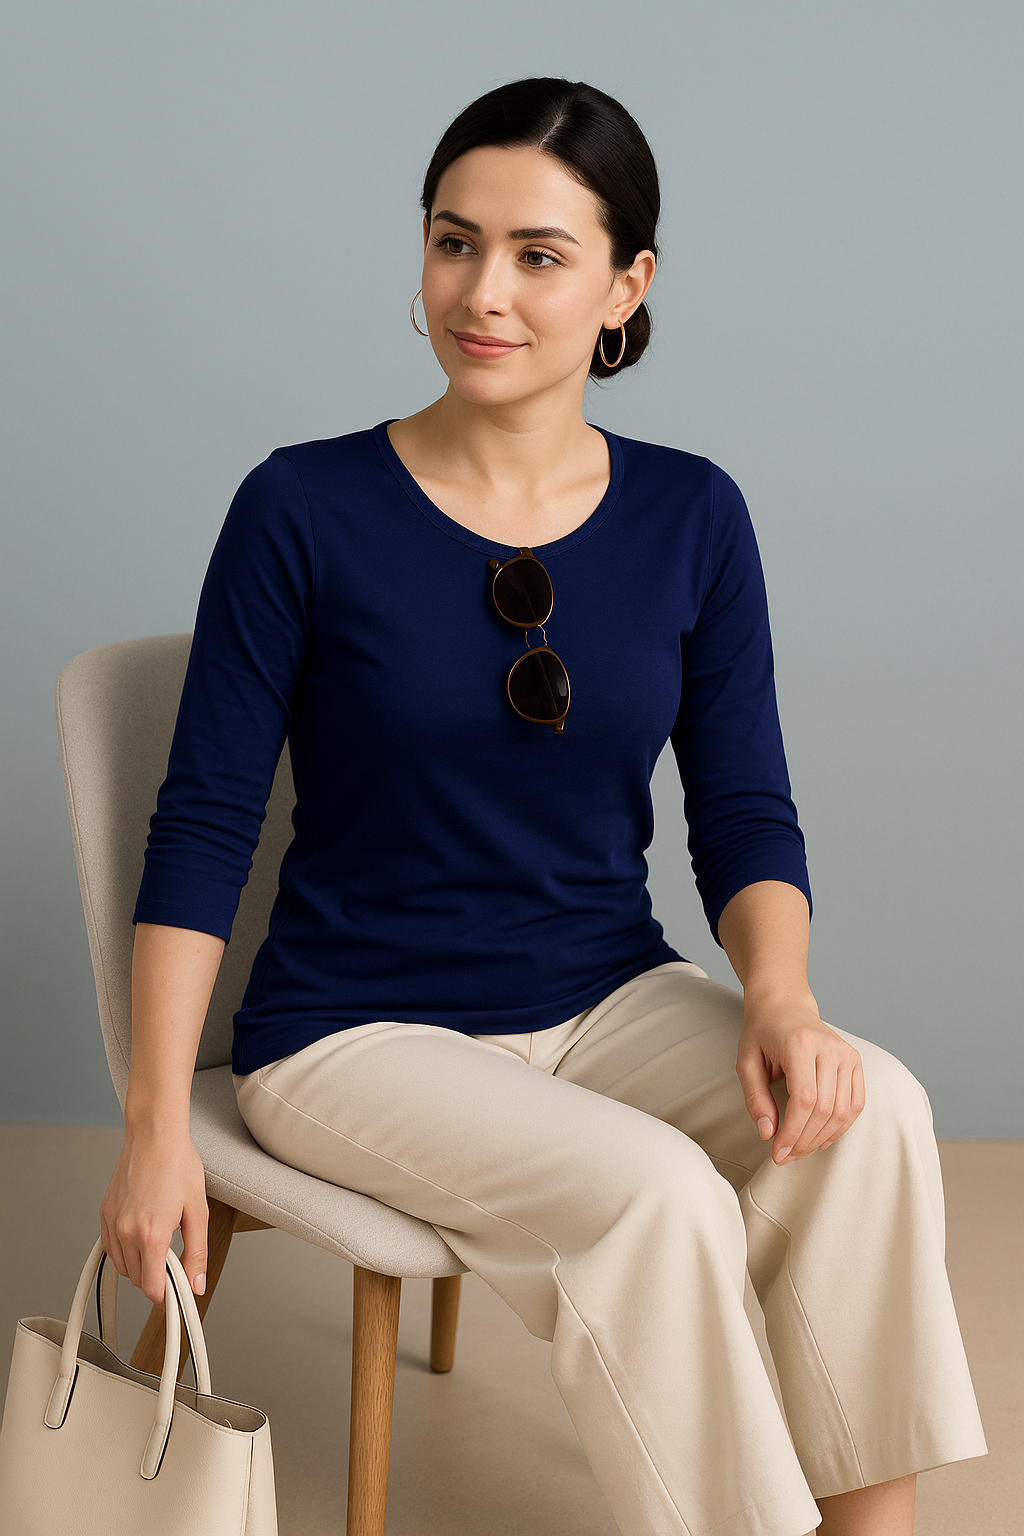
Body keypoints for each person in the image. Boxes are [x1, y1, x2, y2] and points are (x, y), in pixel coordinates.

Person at [101, 77, 986, 1536]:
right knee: (658, 1197)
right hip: (356, 1028)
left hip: (604, 993)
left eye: (537, 254)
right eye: (455, 244)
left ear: (628, 286)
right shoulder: (302, 507)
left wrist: (781, 999)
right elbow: (201, 826)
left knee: (871, 1107)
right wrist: (151, 1124)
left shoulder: (692, 515)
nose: (483, 292)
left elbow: (746, 805)